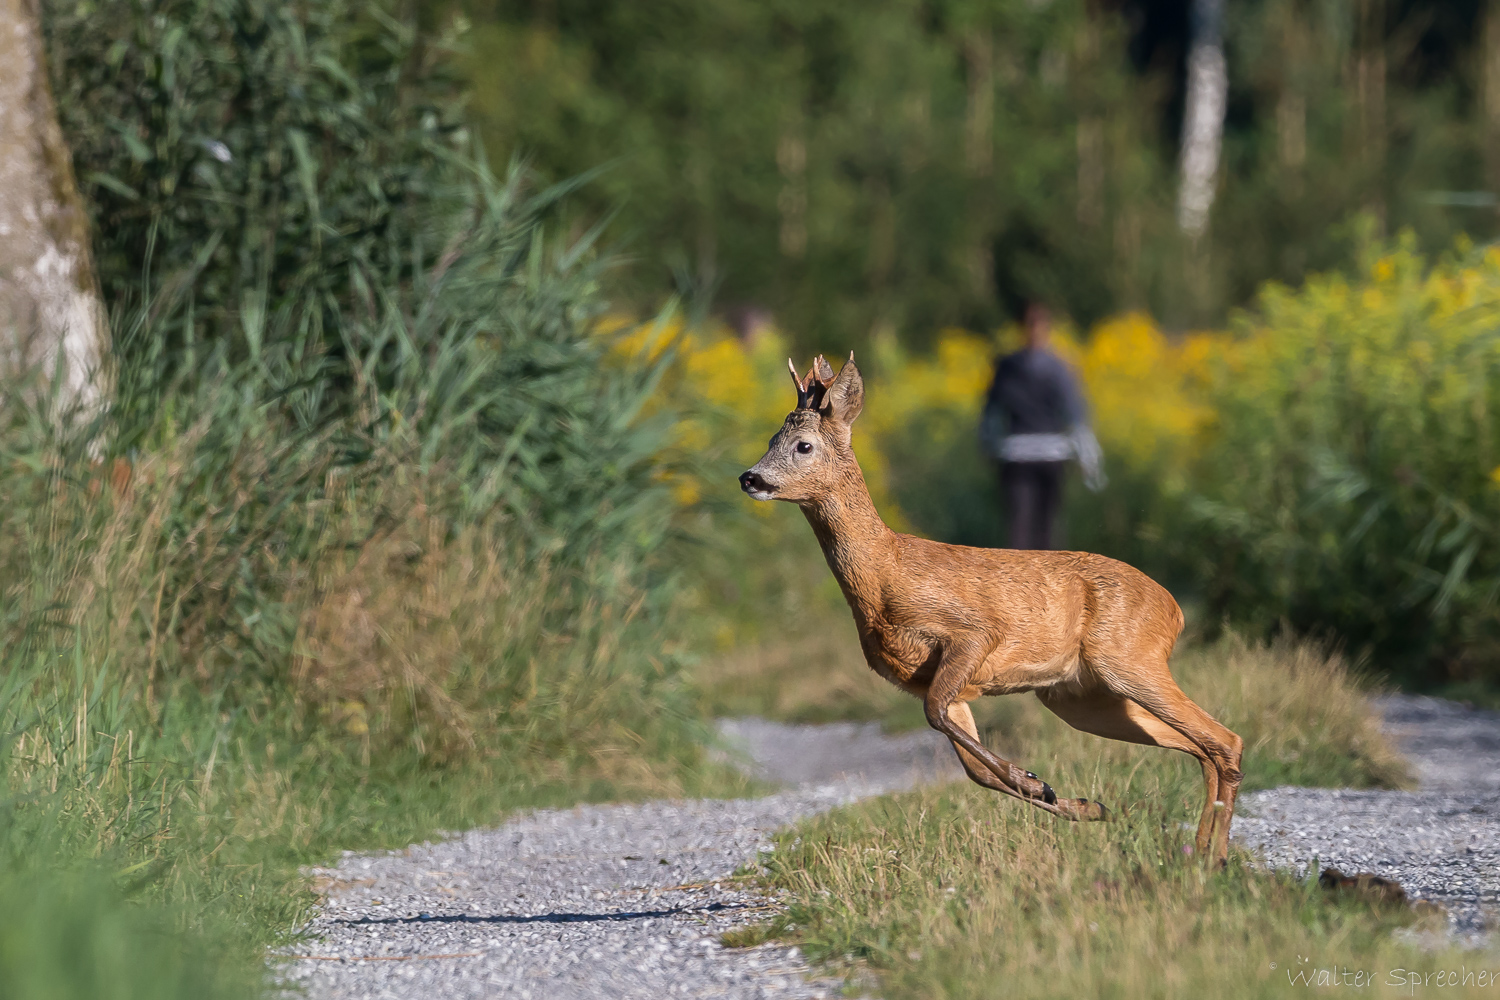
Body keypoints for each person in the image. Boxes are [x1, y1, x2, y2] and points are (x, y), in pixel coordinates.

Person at [980, 303, 1105, 550]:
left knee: (1027, 529)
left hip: (1028, 457)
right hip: (1036, 456)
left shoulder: (1008, 366)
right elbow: (1075, 415)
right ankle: (1043, 588)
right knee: (1035, 530)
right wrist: (1089, 461)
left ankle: (1022, 588)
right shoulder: (1057, 367)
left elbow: (991, 415)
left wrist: (988, 447)